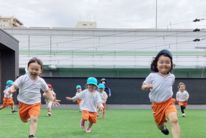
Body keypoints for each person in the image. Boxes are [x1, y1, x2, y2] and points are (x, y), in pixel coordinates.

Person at [8, 57, 59, 138]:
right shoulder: (23, 78)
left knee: (34, 119)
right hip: (23, 103)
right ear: (28, 68)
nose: (34, 71)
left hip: (35, 103)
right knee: (23, 119)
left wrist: (53, 99)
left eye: (36, 69)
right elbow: (14, 86)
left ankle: (31, 135)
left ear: (40, 70)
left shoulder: (41, 81)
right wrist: (11, 89)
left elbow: (47, 91)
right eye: (32, 69)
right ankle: (27, 119)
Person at [141, 49, 180, 138]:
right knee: (159, 124)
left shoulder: (172, 77)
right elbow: (143, 86)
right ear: (156, 64)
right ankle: (163, 128)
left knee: (174, 120)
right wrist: (146, 86)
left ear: (171, 64)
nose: (164, 64)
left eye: (167, 62)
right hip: (157, 105)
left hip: (168, 102)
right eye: (161, 62)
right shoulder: (152, 76)